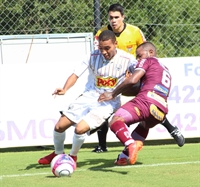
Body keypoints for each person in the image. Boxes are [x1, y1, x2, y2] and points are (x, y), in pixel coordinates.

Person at [92, 3, 184, 153]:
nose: (113, 21)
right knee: (105, 102)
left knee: (123, 106)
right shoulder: (102, 33)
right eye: (110, 18)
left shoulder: (135, 32)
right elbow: (98, 53)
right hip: (111, 72)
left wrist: (136, 72)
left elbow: (146, 51)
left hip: (134, 73)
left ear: (123, 17)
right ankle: (104, 146)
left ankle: (166, 129)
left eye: (116, 17)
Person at [38, 30, 138, 165]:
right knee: (59, 127)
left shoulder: (128, 59)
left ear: (115, 44)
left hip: (108, 103)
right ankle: (58, 153)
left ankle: (72, 157)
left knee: (80, 129)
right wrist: (65, 88)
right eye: (101, 48)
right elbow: (76, 74)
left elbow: (139, 74)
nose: (103, 52)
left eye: (107, 48)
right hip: (89, 96)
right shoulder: (92, 55)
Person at [98, 42, 173, 165]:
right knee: (144, 125)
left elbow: (133, 81)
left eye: (139, 56)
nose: (138, 59)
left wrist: (112, 94)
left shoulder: (148, 61)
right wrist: (123, 89)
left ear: (150, 53)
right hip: (161, 109)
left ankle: (130, 143)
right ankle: (123, 156)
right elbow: (137, 89)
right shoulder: (164, 68)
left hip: (146, 101)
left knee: (116, 120)